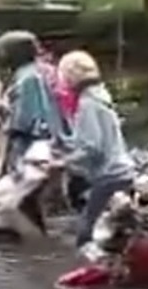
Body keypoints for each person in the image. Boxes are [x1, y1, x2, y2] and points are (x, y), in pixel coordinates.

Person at [54, 51, 137, 248]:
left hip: (108, 176)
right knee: (117, 232)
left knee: (86, 235)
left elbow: (92, 148)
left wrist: (62, 162)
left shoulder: (87, 104)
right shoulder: (101, 95)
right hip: (123, 172)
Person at [0, 30, 69, 171]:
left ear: (15, 53)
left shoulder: (29, 79)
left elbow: (25, 121)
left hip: (30, 150)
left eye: (3, 52)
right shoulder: (32, 73)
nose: (0, 57)